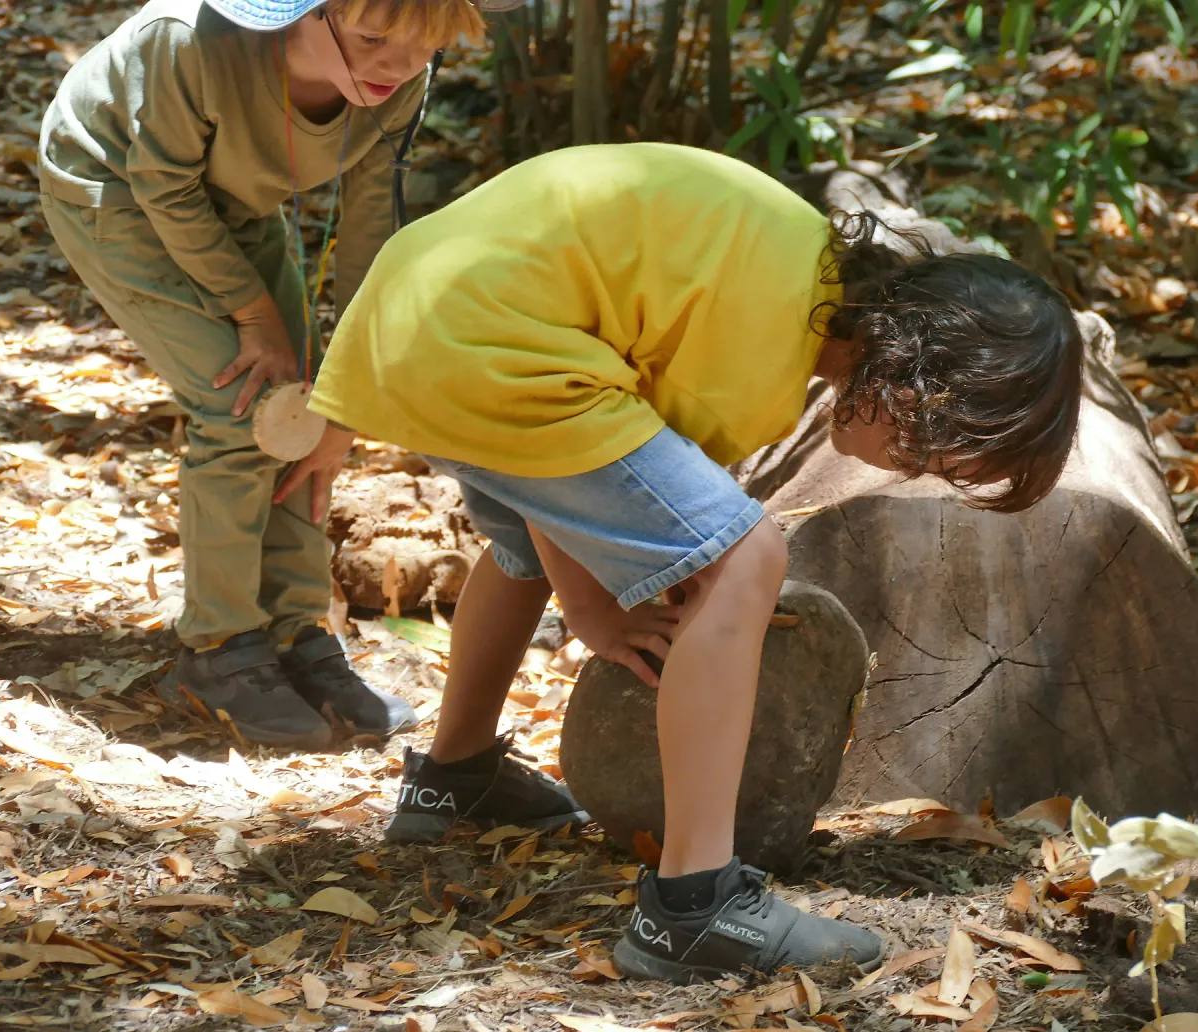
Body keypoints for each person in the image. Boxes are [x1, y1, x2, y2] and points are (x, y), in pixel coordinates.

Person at [280, 142, 1085, 982]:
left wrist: (586, 592)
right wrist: (595, 610)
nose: (906, 469)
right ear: (921, 376)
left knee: (521, 552)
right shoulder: (762, 346)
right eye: (928, 451)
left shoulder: (788, 263)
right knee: (744, 558)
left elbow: (561, 478)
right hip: (487, 340)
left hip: (427, 315)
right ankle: (695, 905)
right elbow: (584, 451)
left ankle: (453, 779)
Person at [38, 0, 490, 748]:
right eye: (373, 38)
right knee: (237, 404)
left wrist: (345, 389)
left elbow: (373, 226)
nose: (394, 65)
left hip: (233, 202)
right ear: (305, 15)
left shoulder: (401, 77)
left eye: (421, 47)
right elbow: (165, 186)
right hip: (115, 187)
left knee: (305, 408)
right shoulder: (190, 44)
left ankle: (296, 631)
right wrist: (253, 313)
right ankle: (219, 648)